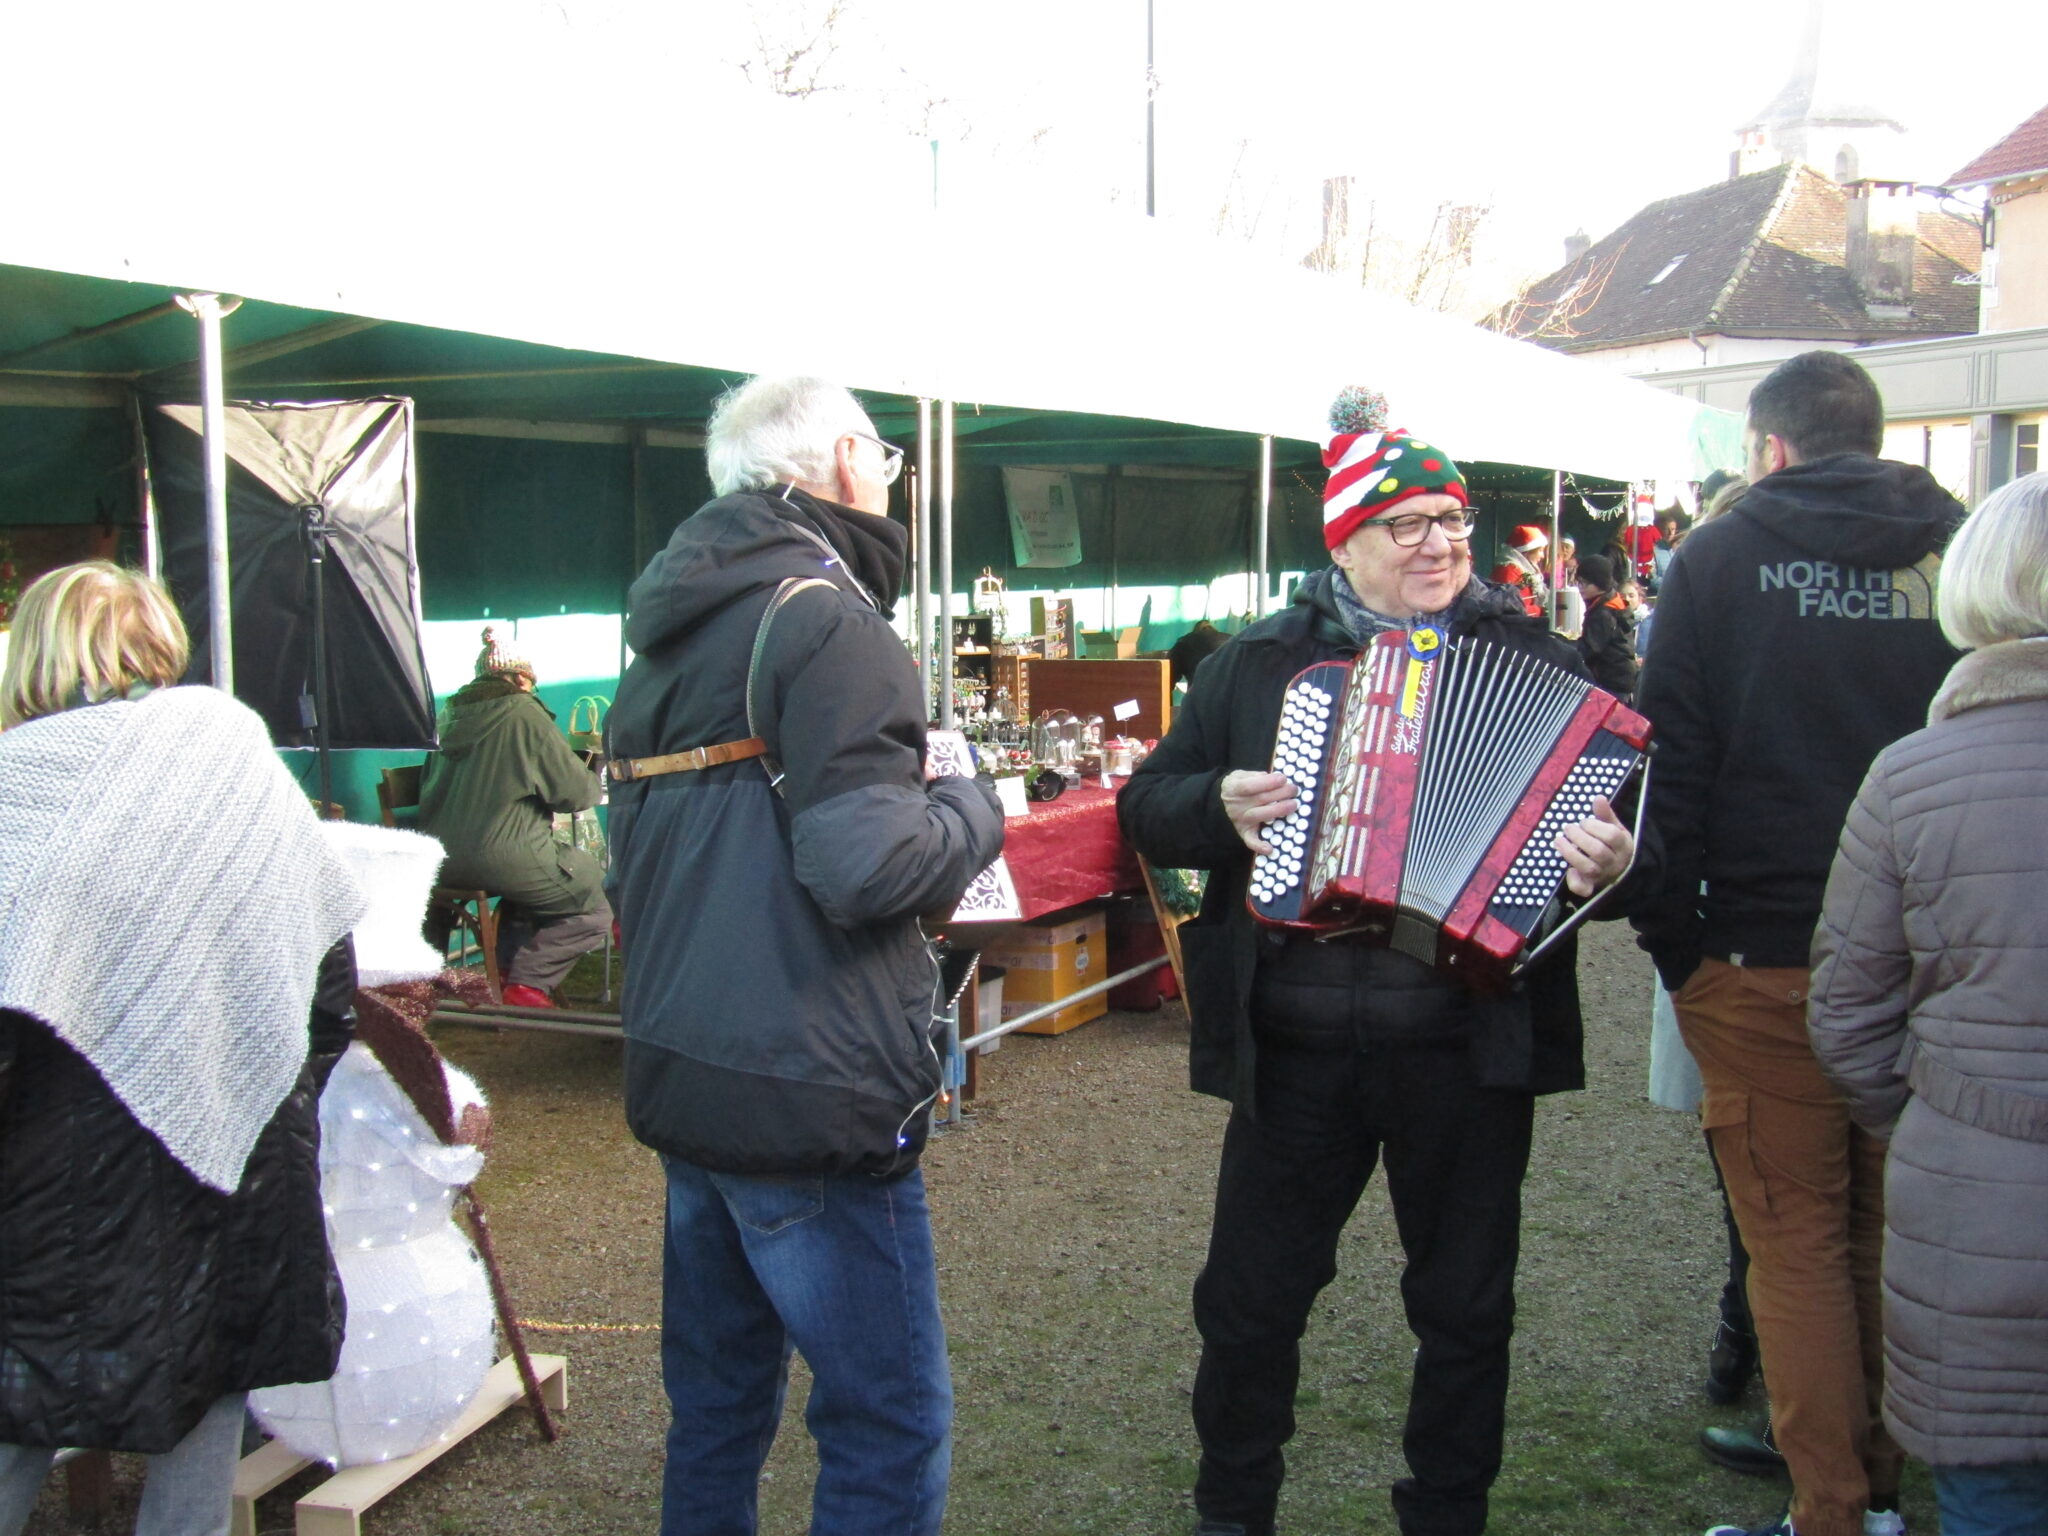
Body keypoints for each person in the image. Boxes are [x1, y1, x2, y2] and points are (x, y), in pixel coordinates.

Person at [1119, 387, 1637, 1536]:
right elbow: (1146, 810)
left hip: (1461, 1042)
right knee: (1248, 1305)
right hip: (1293, 1047)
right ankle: (1231, 1511)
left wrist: (1609, 867)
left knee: (1463, 1310)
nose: (1441, 544)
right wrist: (1216, 803)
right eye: (1408, 525)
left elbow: (1593, 846)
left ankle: (1445, 1514)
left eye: (1452, 523)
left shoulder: (1533, 658)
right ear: (1345, 539)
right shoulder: (1252, 664)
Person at [604, 374, 1004, 1536]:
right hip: (807, 1086)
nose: (891, 473)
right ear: (841, 459)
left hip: (689, 1067)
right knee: (885, 1416)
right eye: (883, 452)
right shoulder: (826, 621)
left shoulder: (665, 638)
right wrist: (973, 806)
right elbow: (869, 871)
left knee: (718, 1408)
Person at [1631, 350, 1964, 1536]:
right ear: (1874, 436)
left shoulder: (1717, 557)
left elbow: (1662, 758)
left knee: (1793, 1242)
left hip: (1762, 945)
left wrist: (1670, 940)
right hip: (1926, 952)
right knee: (1878, 1228)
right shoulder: (1957, 549)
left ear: (1769, 448)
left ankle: (1831, 1507)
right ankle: (1870, 1485)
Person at [0, 561, 363, 1536]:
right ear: (155, 641)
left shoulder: (11, 792)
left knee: (20, 1406)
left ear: (27, 653)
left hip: (46, 1188)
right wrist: (247, 1083)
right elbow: (331, 990)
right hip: (236, 1166)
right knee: (206, 1399)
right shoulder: (233, 756)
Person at [1809, 470, 2048, 1536]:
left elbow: (1846, 1013)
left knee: (1991, 1491)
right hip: (1968, 1152)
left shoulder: (1910, 777)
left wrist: (1930, 1120)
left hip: (1970, 1184)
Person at [417, 629, 610, 1009]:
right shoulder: (524, 713)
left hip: (436, 862)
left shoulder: (447, 716)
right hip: (504, 859)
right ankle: (526, 983)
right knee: (597, 906)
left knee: (530, 891)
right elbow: (576, 794)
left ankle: (505, 970)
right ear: (522, 679)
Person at [1573, 552, 1640, 700]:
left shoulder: (1603, 613)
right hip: (1622, 678)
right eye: (1578, 582)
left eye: (1584, 583)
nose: (1580, 588)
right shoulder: (1612, 600)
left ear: (1600, 584)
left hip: (1612, 681)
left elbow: (1588, 648)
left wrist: (1562, 646)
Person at [1490, 522, 1549, 618]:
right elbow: (1511, 607)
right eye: (1540, 551)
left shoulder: (1522, 569)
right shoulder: (1509, 571)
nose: (1542, 556)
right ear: (1527, 551)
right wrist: (1538, 610)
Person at [1169, 618, 1230, 689]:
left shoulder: (1184, 643)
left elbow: (1168, 678)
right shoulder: (1231, 640)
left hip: (1200, 693)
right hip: (1231, 694)